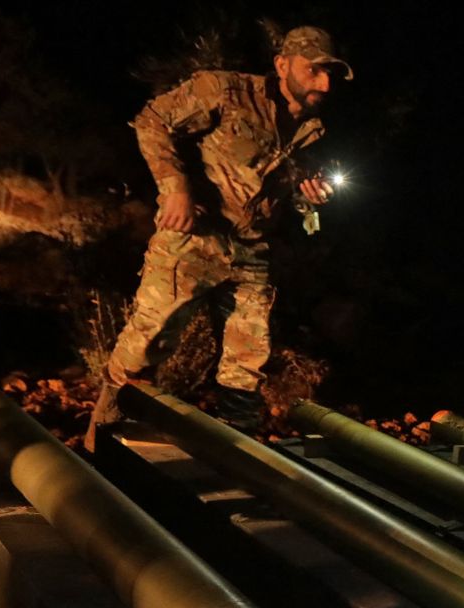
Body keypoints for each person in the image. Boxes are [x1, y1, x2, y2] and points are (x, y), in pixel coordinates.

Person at [86, 26, 351, 451]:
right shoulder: (226, 90)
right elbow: (152, 120)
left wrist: (307, 199)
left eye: (331, 74)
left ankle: (234, 461)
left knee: (248, 362)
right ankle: (100, 449)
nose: (324, 83)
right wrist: (174, 186)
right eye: (314, 70)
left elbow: (287, 193)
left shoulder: (312, 131)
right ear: (282, 65)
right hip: (196, 239)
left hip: (252, 250)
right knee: (146, 343)